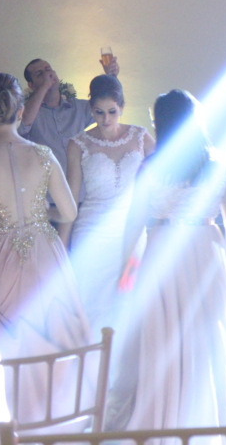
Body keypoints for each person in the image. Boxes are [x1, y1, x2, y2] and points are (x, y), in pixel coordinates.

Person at [105, 89, 226, 435]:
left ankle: (169, 416)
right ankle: (211, 416)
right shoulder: (218, 166)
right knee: (207, 336)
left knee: (165, 337)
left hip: (162, 250)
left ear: (159, 124)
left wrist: (126, 272)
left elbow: (133, 225)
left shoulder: (150, 168)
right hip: (206, 252)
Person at [0, 73, 90, 425]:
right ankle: (55, 418)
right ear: (21, 110)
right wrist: (42, 214)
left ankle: (4, 422)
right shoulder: (42, 154)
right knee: (50, 335)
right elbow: (69, 212)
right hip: (44, 251)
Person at [63, 75, 154, 336]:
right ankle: (93, 359)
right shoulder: (78, 144)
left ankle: (127, 360)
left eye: (112, 111)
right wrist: (62, 246)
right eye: (99, 112)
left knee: (130, 302)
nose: (105, 119)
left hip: (132, 229)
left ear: (122, 107)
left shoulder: (141, 137)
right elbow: (71, 198)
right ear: (91, 109)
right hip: (92, 230)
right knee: (92, 304)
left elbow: (162, 183)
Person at [18, 57, 119, 174]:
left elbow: (107, 107)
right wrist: (45, 86)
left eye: (48, 69)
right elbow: (21, 126)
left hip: (81, 182)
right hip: (47, 183)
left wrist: (111, 77)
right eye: (39, 74)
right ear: (31, 85)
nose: (47, 75)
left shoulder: (78, 107)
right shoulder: (29, 112)